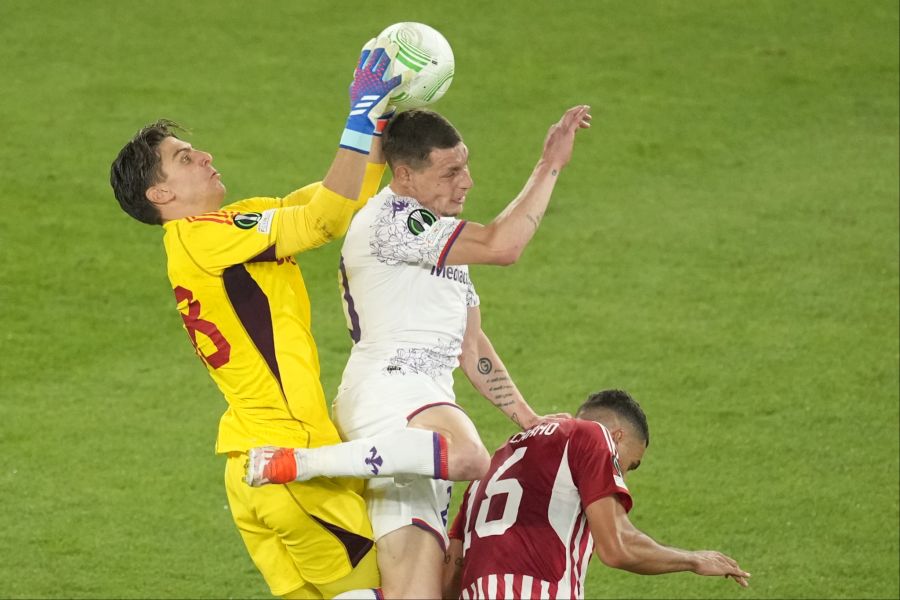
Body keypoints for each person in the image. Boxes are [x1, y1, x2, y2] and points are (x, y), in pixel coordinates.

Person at [246, 104, 592, 598]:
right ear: (404, 175)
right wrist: (548, 165)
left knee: (417, 593)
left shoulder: (437, 233)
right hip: (390, 392)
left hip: (417, 420)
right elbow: (503, 246)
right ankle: (305, 463)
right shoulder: (394, 222)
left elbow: (470, 346)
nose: (466, 181)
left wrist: (528, 419)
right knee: (472, 456)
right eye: (450, 171)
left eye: (465, 164)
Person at [108, 39, 407, 599]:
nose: (204, 157)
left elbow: (338, 199)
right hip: (293, 462)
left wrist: (379, 121)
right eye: (184, 157)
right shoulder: (202, 238)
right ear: (161, 193)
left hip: (252, 467)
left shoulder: (229, 225)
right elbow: (321, 222)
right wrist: (358, 116)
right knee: (399, 587)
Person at [442, 389, 751, 599]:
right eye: (630, 464)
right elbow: (618, 547)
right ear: (616, 436)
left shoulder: (493, 464)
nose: (623, 478)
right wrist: (693, 560)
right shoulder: (592, 436)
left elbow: (449, 581)